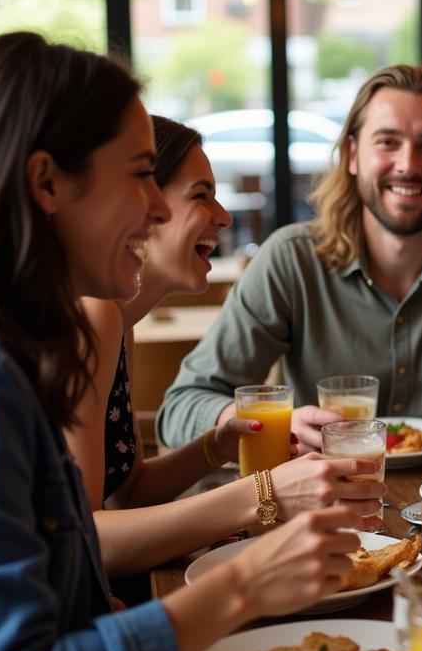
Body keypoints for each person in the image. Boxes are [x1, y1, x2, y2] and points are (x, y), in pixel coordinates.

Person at [0, 32, 381, 651]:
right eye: (139, 175)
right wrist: (246, 579)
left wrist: (218, 462)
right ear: (47, 183)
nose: (160, 207)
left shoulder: (21, 355)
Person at [156, 64, 422, 454]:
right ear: (353, 155)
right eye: (387, 142)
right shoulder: (290, 260)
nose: (407, 164)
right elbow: (179, 409)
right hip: (326, 510)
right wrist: (268, 423)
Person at [63, 116, 384, 578]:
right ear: (142, 203)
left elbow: (128, 493)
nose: (225, 216)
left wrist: (218, 443)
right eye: (200, 195)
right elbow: (87, 540)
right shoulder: (94, 314)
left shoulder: (118, 321)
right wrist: (264, 494)